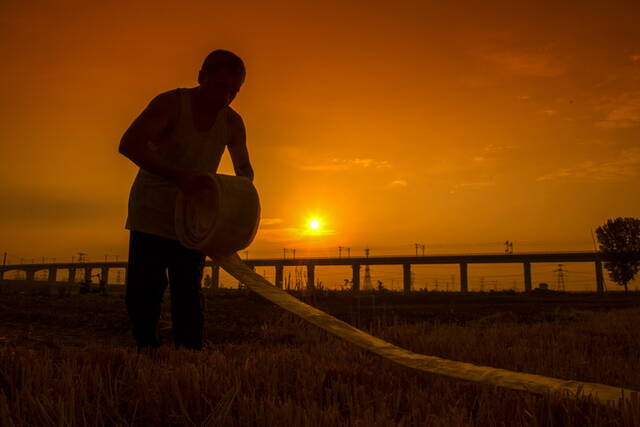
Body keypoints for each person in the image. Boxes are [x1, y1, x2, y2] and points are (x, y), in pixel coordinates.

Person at [118, 49, 253, 350]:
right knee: (145, 289)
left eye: (234, 91)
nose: (226, 97)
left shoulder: (232, 123)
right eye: (220, 87)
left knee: (188, 290)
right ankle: (146, 350)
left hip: (194, 219)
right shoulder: (170, 104)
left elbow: (244, 170)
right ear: (201, 77)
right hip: (151, 211)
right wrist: (179, 176)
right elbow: (129, 145)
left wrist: (235, 208)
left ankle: (189, 355)